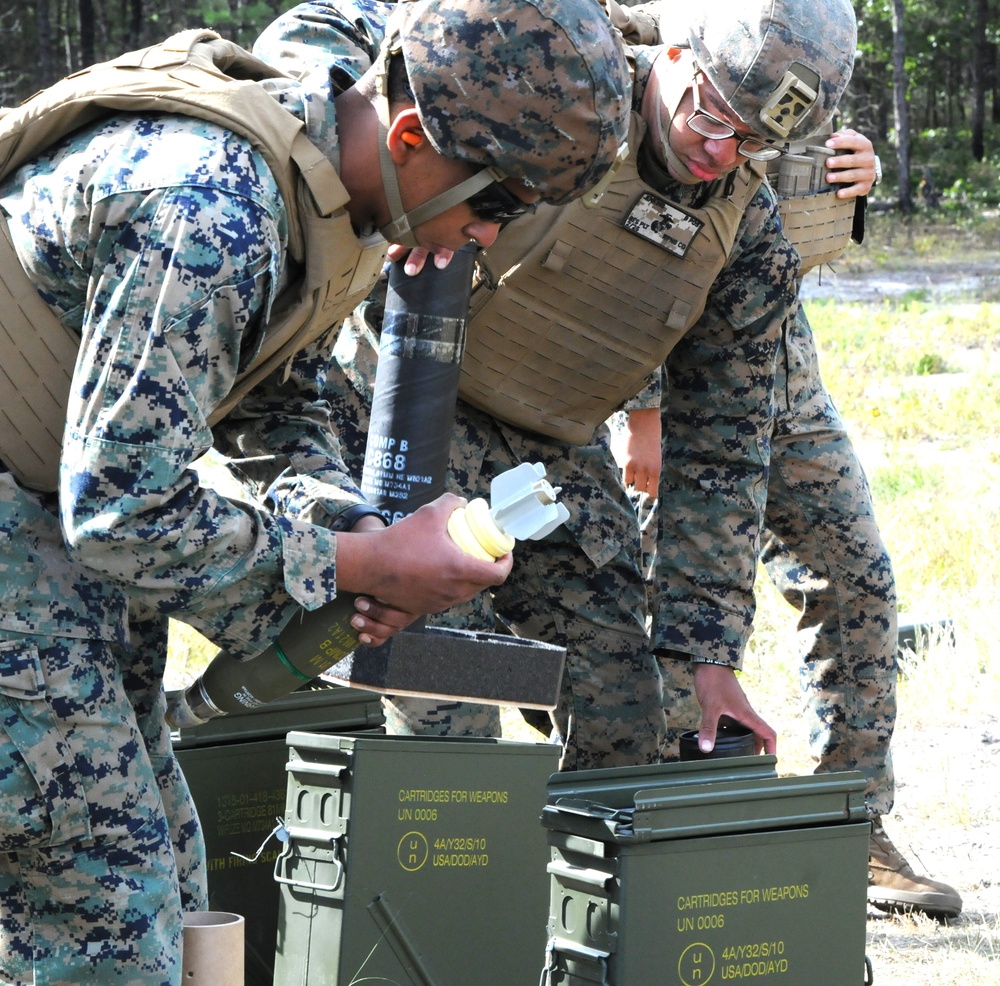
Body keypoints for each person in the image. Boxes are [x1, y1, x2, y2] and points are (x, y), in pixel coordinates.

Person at [0, 0, 632, 980]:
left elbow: (276, 387)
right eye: (496, 206)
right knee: (109, 925)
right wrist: (352, 562)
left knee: (162, 874)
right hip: (44, 538)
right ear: (414, 134)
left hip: (50, 531)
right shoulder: (210, 207)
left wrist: (349, 526)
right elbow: (123, 509)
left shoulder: (327, 166)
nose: (483, 244)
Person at [316, 0, 858, 771]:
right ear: (673, 57)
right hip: (405, 409)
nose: (720, 150)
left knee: (625, 715)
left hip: (552, 457)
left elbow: (721, 452)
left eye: (753, 141)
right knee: (444, 703)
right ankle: (424, 874)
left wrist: (709, 659)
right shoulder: (558, 96)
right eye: (712, 114)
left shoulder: (749, 236)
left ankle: (578, 886)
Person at [612, 0, 962, 920]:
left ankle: (852, 828)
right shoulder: (632, 32)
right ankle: (665, 846)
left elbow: (786, 179)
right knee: (660, 612)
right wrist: (642, 409)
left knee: (858, 577)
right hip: (633, 357)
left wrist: (851, 173)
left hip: (769, 355)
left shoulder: (802, 32)